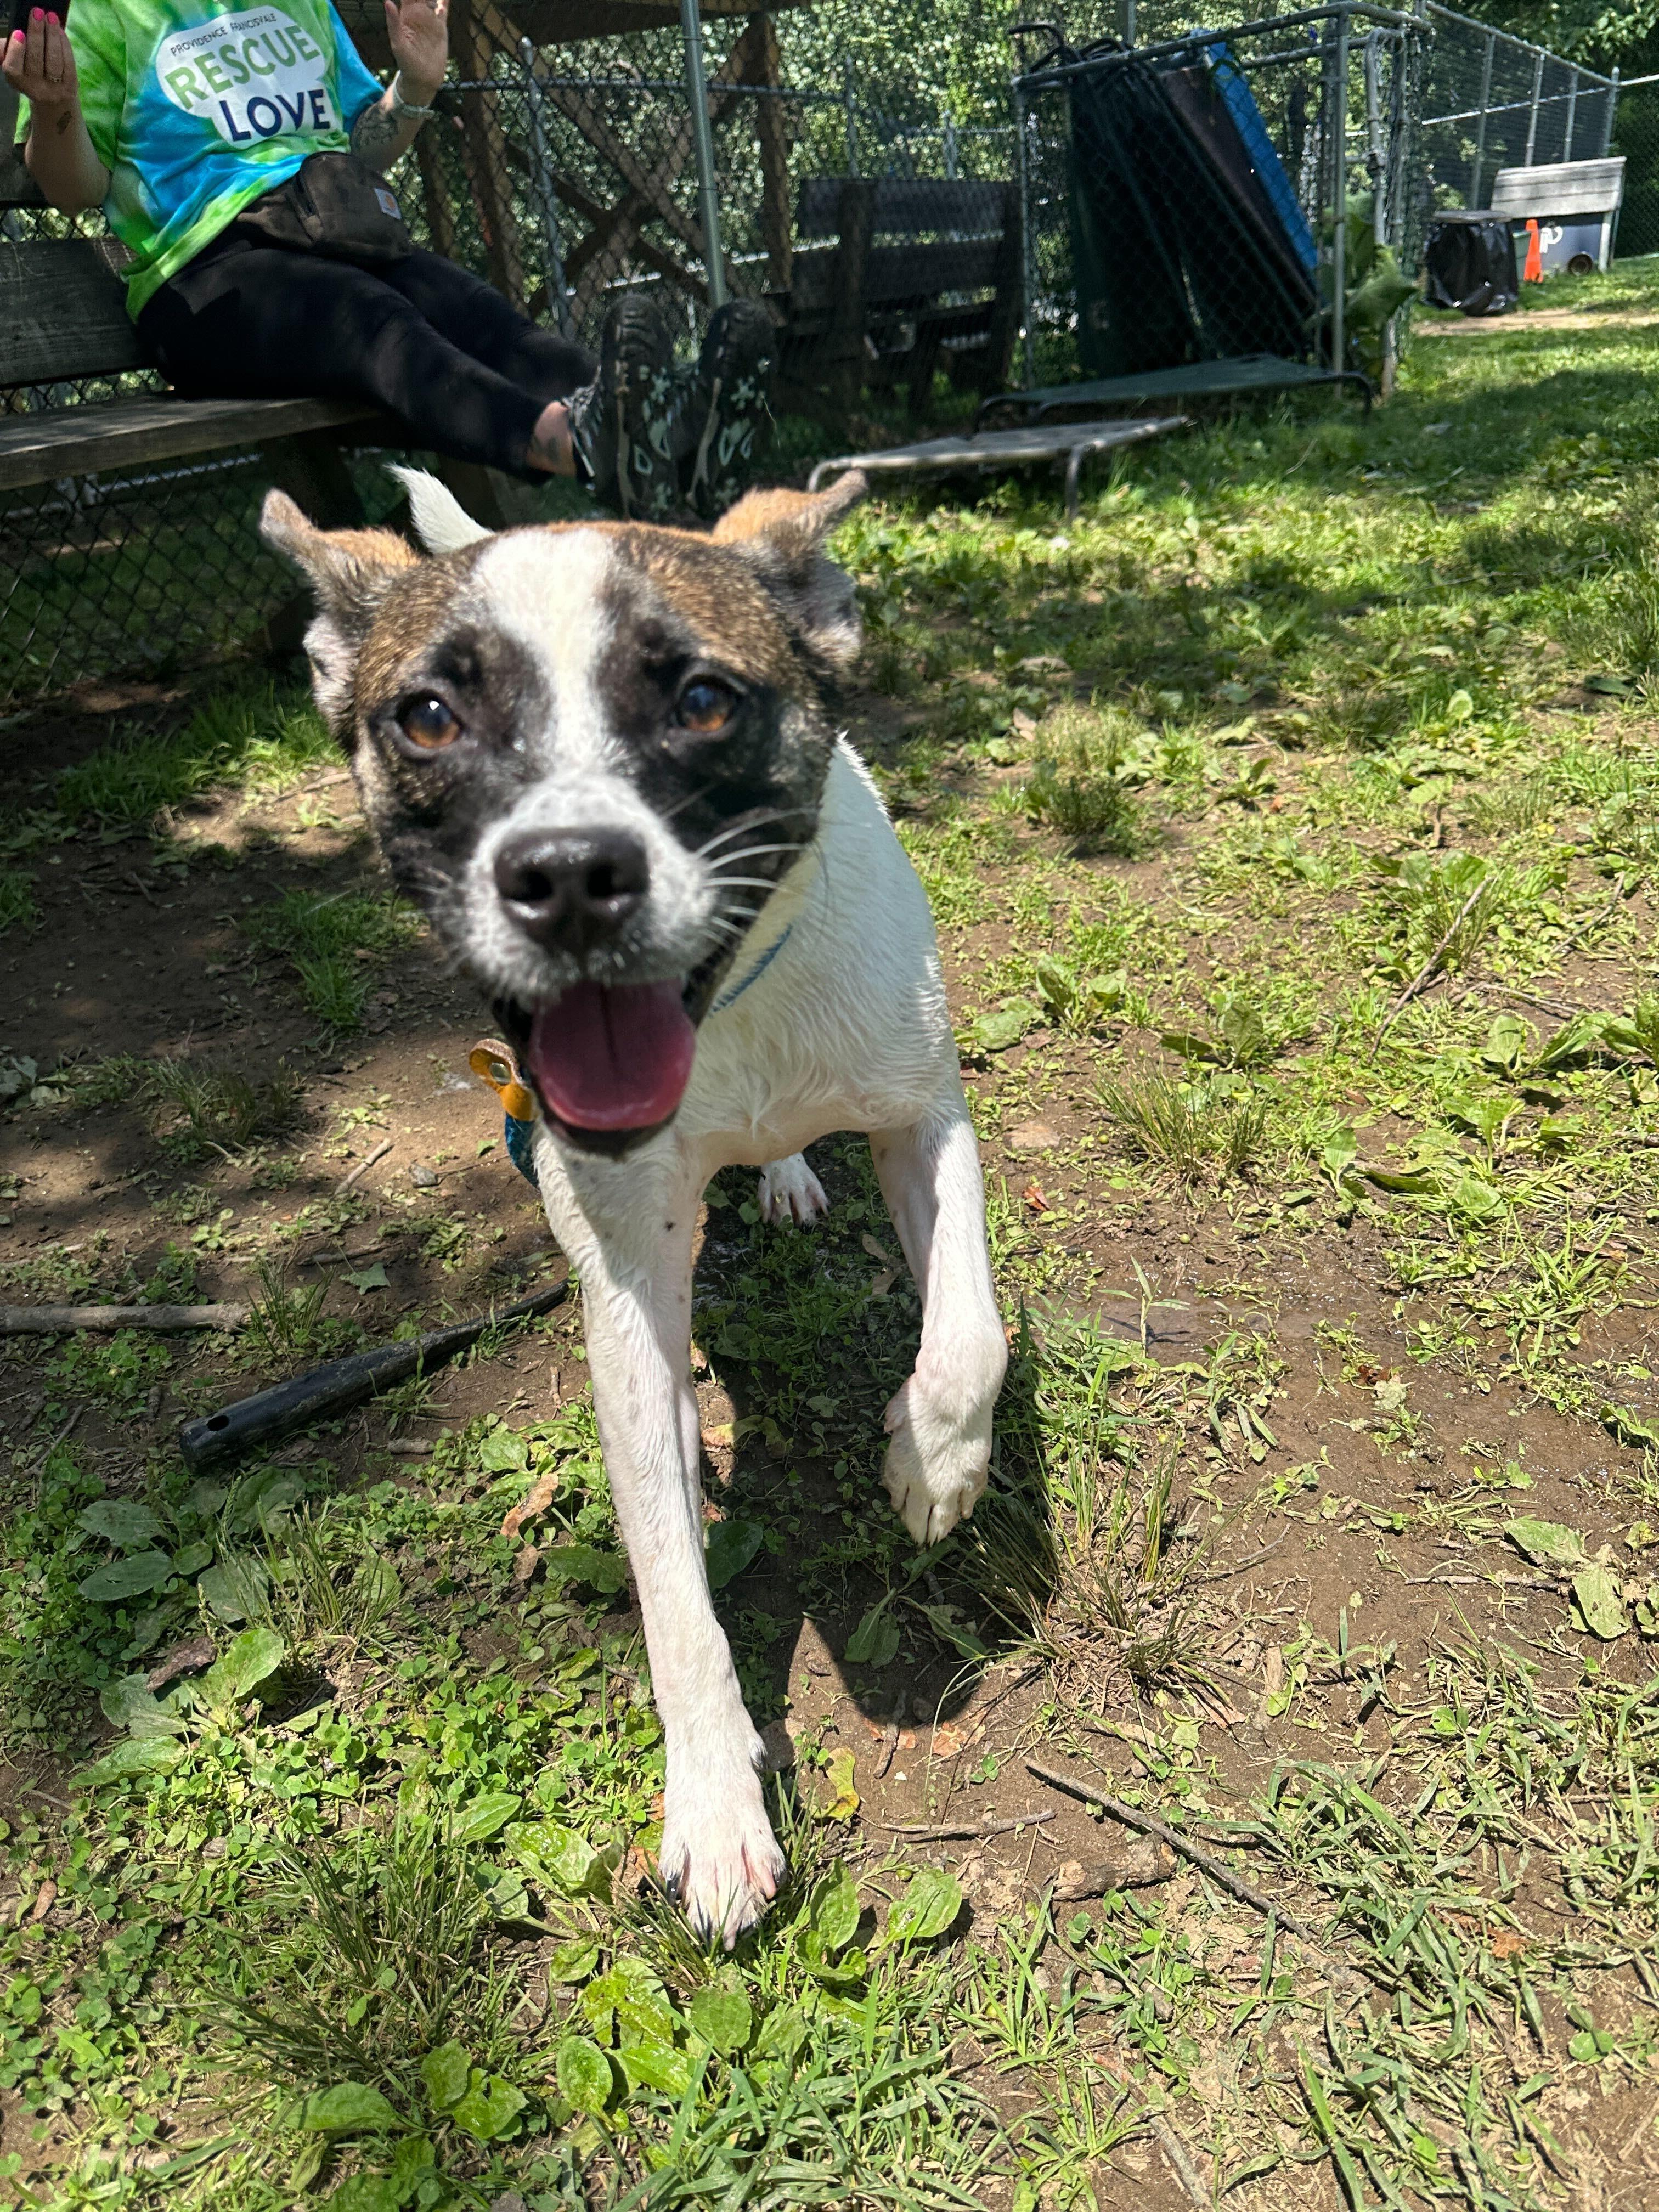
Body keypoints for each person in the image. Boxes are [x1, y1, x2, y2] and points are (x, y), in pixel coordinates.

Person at [2, 0, 772, 518]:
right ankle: (586, 445)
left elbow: (362, 143)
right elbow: (76, 190)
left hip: (337, 232)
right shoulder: (104, 12)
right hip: (206, 279)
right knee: (371, 318)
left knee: (473, 308)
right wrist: (57, 109)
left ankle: (675, 429)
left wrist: (418, 84)